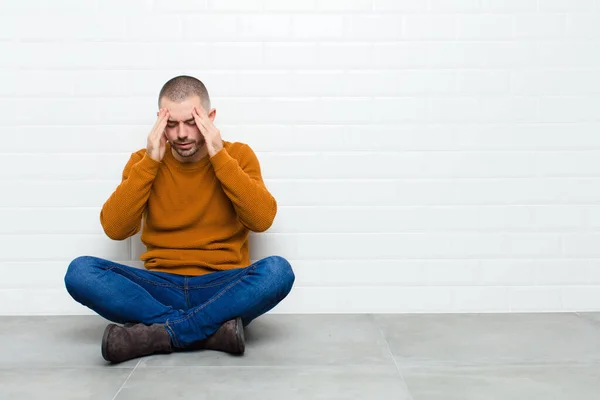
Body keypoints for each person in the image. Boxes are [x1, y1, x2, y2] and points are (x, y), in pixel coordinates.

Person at [64, 75, 295, 364]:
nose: (181, 134)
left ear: (210, 118)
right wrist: (150, 162)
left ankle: (162, 333)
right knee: (80, 272)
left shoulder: (237, 155)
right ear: (160, 122)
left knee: (278, 271)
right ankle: (207, 331)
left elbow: (261, 219)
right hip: (160, 288)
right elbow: (115, 228)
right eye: (171, 124)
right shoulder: (144, 160)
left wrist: (219, 156)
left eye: (192, 122)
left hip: (220, 286)